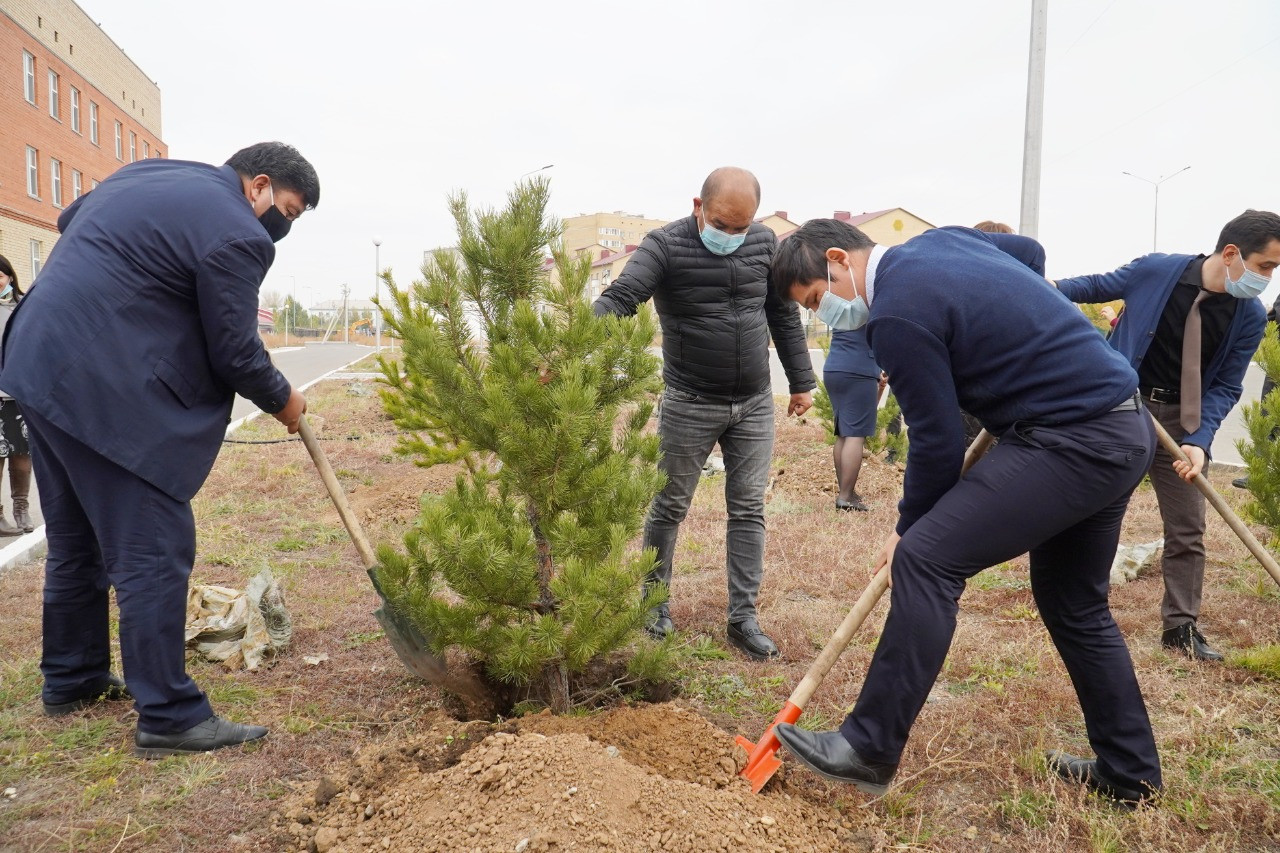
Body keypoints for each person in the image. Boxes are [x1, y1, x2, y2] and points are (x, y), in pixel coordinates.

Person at [766, 219, 1161, 806]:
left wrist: (908, 529)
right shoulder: (945, 240)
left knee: (925, 560)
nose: (827, 313)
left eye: (819, 298)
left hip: (1071, 441)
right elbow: (1029, 252)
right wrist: (1017, 327)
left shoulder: (896, 314)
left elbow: (937, 440)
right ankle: (1131, 772)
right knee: (1074, 602)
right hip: (1125, 430)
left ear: (839, 259)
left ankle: (868, 747)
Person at [0, 142, 318, 757]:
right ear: (258, 185)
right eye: (287, 211)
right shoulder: (238, 233)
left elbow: (70, 219)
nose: (282, 228)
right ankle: (169, 716)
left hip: (38, 361)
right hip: (101, 388)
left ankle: (72, 678)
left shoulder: (148, 175)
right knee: (153, 549)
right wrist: (284, 399)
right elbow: (235, 349)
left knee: (77, 540)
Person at [592, 167, 815, 660]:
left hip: (754, 403)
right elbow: (622, 297)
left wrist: (801, 381)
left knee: (748, 509)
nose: (731, 236)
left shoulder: (764, 244)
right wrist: (569, 343)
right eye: (721, 224)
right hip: (689, 402)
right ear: (698, 206)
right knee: (669, 506)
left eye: (741, 227)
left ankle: (743, 618)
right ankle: (653, 605)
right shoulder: (664, 246)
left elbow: (782, 314)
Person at [1055, 210, 1278, 661]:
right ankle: (1078, 607)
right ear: (1231, 254)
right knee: (1096, 511)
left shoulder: (1249, 315)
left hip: (1182, 422)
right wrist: (1035, 288)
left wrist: (1200, 440)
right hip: (1121, 409)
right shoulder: (1156, 270)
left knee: (1188, 528)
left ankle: (1180, 626)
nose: (1267, 278)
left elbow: (1226, 385)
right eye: (1265, 266)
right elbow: (1087, 287)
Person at [824, 327, 880, 511]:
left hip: (834, 368)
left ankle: (847, 492)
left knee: (843, 432)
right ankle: (846, 497)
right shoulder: (867, 308)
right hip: (859, 369)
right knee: (856, 434)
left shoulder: (840, 309)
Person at [0, 255, 34, 536]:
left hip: (19, 391)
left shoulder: (24, 305)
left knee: (22, 454)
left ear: (10, 276)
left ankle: (21, 508)